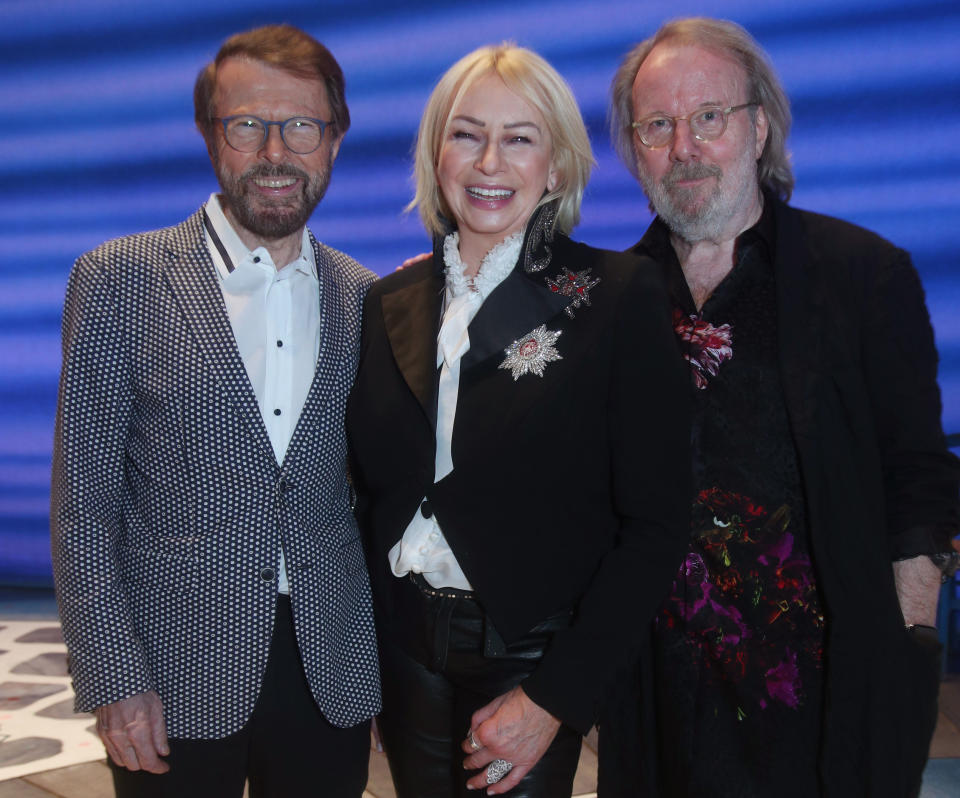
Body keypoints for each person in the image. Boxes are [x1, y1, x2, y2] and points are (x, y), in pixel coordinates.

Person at [601, 16, 960, 798]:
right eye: (657, 125)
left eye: (709, 118)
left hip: (823, 702)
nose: (684, 147)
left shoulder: (863, 277)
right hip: (659, 702)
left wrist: (904, 651)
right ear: (634, 148)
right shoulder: (610, 300)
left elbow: (919, 482)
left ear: (758, 126)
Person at [347, 44, 691, 798]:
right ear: (437, 154)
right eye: (467, 134)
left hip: (530, 655)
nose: (488, 161)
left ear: (558, 167)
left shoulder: (616, 294)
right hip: (405, 650)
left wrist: (555, 697)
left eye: (519, 138)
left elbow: (658, 525)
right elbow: (370, 497)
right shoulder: (388, 304)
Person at [50, 24, 379, 798]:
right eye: (246, 125)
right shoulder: (118, 280)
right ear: (210, 137)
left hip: (328, 671)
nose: (275, 152)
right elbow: (82, 508)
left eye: (301, 126)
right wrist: (111, 676)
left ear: (333, 141)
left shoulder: (366, 298)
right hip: (167, 674)